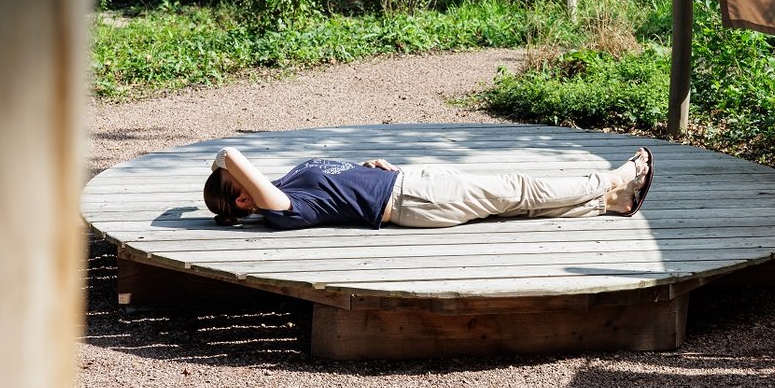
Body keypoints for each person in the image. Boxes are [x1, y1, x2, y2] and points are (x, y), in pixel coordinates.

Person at [203, 145, 654, 229]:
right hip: (415, 199)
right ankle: (613, 179)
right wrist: (224, 162)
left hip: (409, 183)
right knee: (520, 189)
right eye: (239, 181)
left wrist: (364, 168)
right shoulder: (282, 209)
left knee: (512, 204)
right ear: (244, 197)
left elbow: (336, 187)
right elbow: (233, 157)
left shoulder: (280, 188)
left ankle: (608, 204)